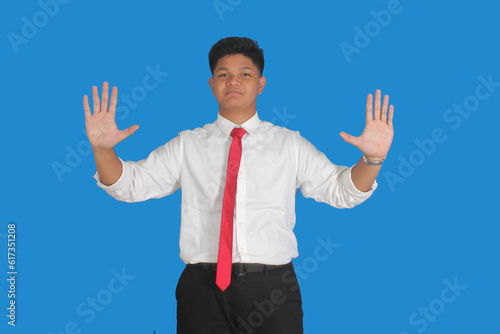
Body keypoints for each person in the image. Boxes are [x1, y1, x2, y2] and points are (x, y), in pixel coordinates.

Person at [83, 36, 394, 333]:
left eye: (245, 73)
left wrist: (372, 160)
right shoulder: (187, 144)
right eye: (223, 74)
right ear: (212, 85)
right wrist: (102, 150)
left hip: (272, 289)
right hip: (201, 290)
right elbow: (130, 185)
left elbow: (341, 190)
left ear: (261, 84)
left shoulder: (290, 144)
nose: (233, 81)